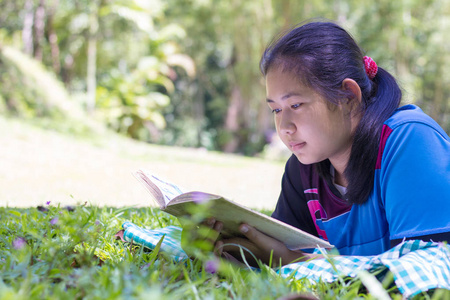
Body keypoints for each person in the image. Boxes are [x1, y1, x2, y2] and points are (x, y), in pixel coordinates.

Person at [210, 20, 450, 267]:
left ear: (348, 96)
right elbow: (275, 255)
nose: (284, 127)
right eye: (276, 109)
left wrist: (295, 262)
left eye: (295, 105)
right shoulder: (303, 170)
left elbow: (427, 273)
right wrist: (225, 248)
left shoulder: (409, 140)